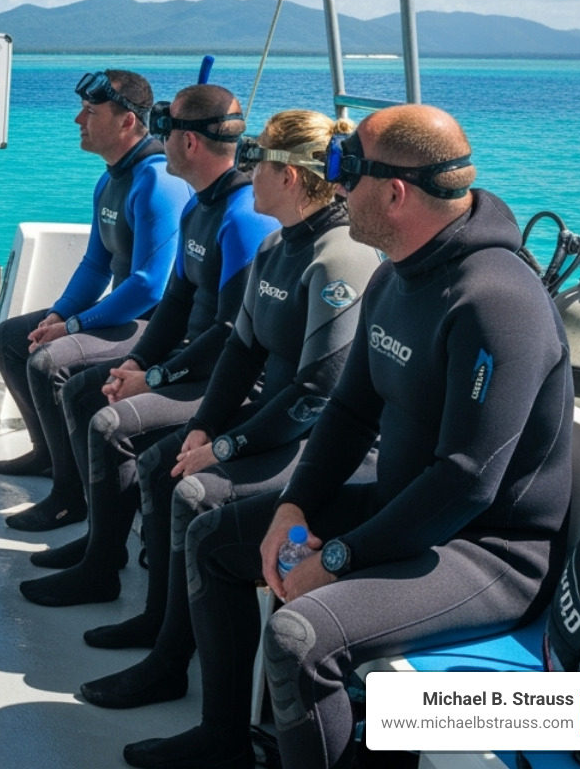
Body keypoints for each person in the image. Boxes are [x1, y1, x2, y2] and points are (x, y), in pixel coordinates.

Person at [124, 105, 572, 769]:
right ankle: (224, 740)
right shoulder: (395, 274)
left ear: (394, 191)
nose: (333, 189)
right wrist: (293, 509)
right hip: (402, 508)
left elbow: (466, 479)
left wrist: (337, 559)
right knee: (216, 538)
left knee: (300, 638)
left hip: (488, 554)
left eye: (344, 174)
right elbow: (350, 413)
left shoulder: (496, 300)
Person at [76, 109, 380, 710]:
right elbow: (241, 348)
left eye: (255, 158)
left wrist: (226, 447)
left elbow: (319, 392)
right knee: (169, 461)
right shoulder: (276, 245)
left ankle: (190, 684)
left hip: (322, 441)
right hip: (277, 417)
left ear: (290, 177)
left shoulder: (340, 258)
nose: (246, 169)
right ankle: (160, 634)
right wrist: (204, 428)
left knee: (196, 496)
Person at [18, 84, 276, 607]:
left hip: (229, 375)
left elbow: (230, 334)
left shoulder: (242, 217)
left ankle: (117, 574)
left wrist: (154, 378)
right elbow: (177, 304)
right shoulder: (199, 206)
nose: (156, 142)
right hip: (193, 356)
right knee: (91, 389)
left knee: (111, 421)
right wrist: (136, 363)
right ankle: (101, 550)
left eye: (163, 130)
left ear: (187, 143)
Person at [0, 70, 194, 537]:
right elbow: (95, 266)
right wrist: (60, 314)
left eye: (91, 112)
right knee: (11, 338)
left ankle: (70, 498)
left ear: (127, 122)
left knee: (48, 363)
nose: (78, 120)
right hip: (125, 311)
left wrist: (76, 325)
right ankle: (49, 455)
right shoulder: (110, 180)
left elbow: (148, 286)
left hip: (158, 326)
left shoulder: (157, 181)